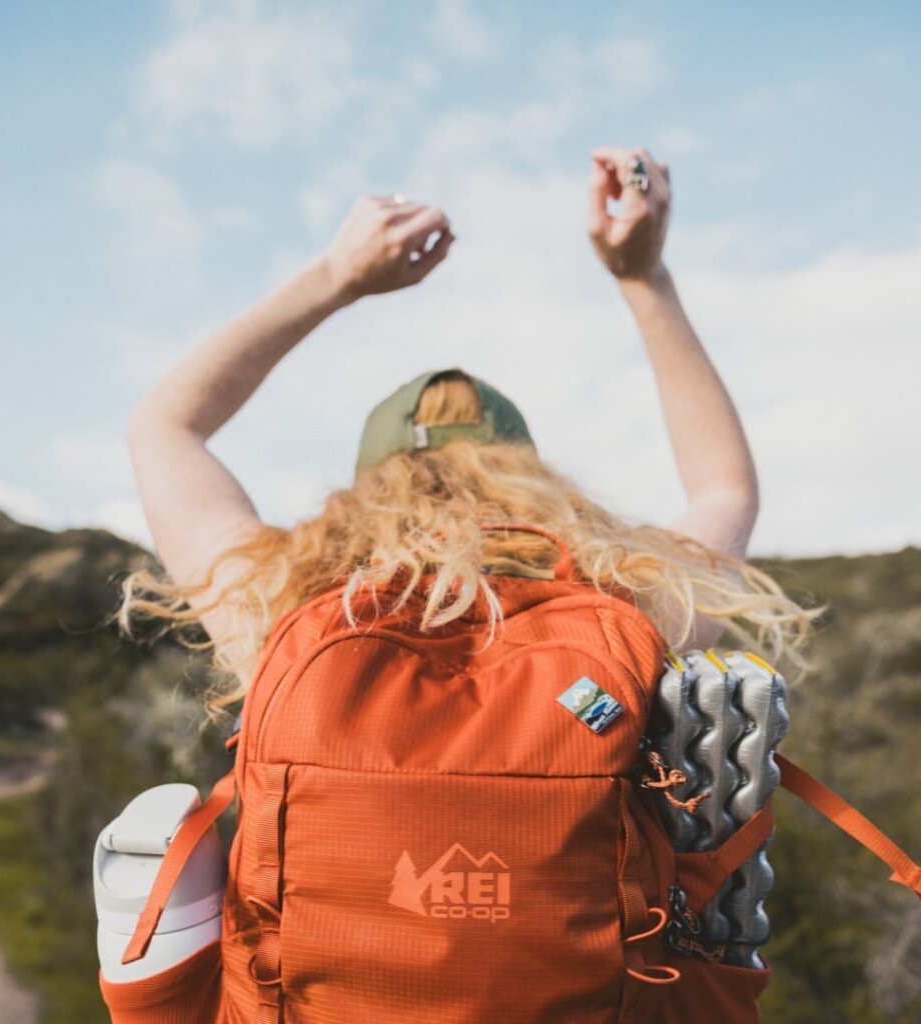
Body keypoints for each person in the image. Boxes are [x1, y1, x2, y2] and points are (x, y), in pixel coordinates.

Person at [116, 144, 816, 727]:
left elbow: (163, 429)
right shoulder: (624, 601)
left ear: (368, 478)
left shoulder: (279, 602)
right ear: (532, 475)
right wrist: (642, 277)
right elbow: (725, 488)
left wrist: (336, 278)